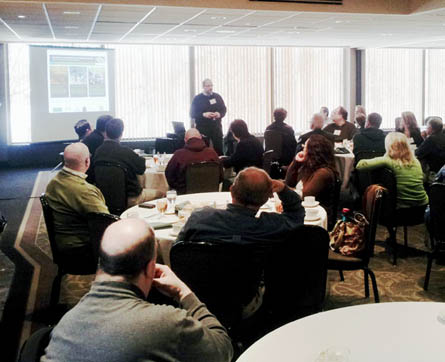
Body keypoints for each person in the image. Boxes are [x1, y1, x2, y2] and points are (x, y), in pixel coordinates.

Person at [41, 219, 233, 362]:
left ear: (101, 264)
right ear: (151, 268)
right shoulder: (167, 323)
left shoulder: (65, 324)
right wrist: (184, 292)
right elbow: (223, 350)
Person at [178, 166, 305, 244]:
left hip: (199, 286)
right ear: (266, 198)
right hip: (248, 285)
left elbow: (178, 251)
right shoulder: (271, 227)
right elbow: (296, 216)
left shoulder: (200, 219)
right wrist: (284, 190)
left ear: (231, 190)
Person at [45, 143, 109, 270]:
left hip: (64, 245)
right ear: (87, 161)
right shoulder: (85, 191)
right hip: (83, 249)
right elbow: (107, 223)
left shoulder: (53, 182)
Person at [93, 118, 164, 207]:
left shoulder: (98, 152)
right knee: (161, 193)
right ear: (121, 134)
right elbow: (141, 168)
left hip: (104, 199)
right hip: (130, 198)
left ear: (105, 133)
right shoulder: (125, 152)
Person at [356, 132, 428, 211]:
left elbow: (360, 165)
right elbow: (423, 178)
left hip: (401, 208)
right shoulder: (415, 161)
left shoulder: (388, 160)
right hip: (422, 205)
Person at [285, 134, 338, 228]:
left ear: (312, 152)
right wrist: (296, 162)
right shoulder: (307, 167)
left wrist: (283, 190)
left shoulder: (324, 173)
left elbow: (305, 195)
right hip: (303, 211)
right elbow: (289, 182)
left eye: (305, 147)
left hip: (316, 218)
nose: (302, 150)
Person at [165, 128, 222, 194]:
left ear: (185, 140)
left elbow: (169, 176)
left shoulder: (179, 155)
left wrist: (179, 187)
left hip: (184, 196)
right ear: (201, 138)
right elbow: (220, 176)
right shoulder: (212, 153)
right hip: (209, 195)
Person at [190, 79, 227, 156]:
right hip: (203, 129)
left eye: (211, 85)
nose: (210, 88)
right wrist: (204, 115)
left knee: (219, 150)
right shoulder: (197, 98)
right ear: (203, 87)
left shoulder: (217, 97)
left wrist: (219, 114)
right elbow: (192, 114)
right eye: (208, 86)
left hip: (216, 128)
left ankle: (220, 166)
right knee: (203, 151)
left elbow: (223, 109)